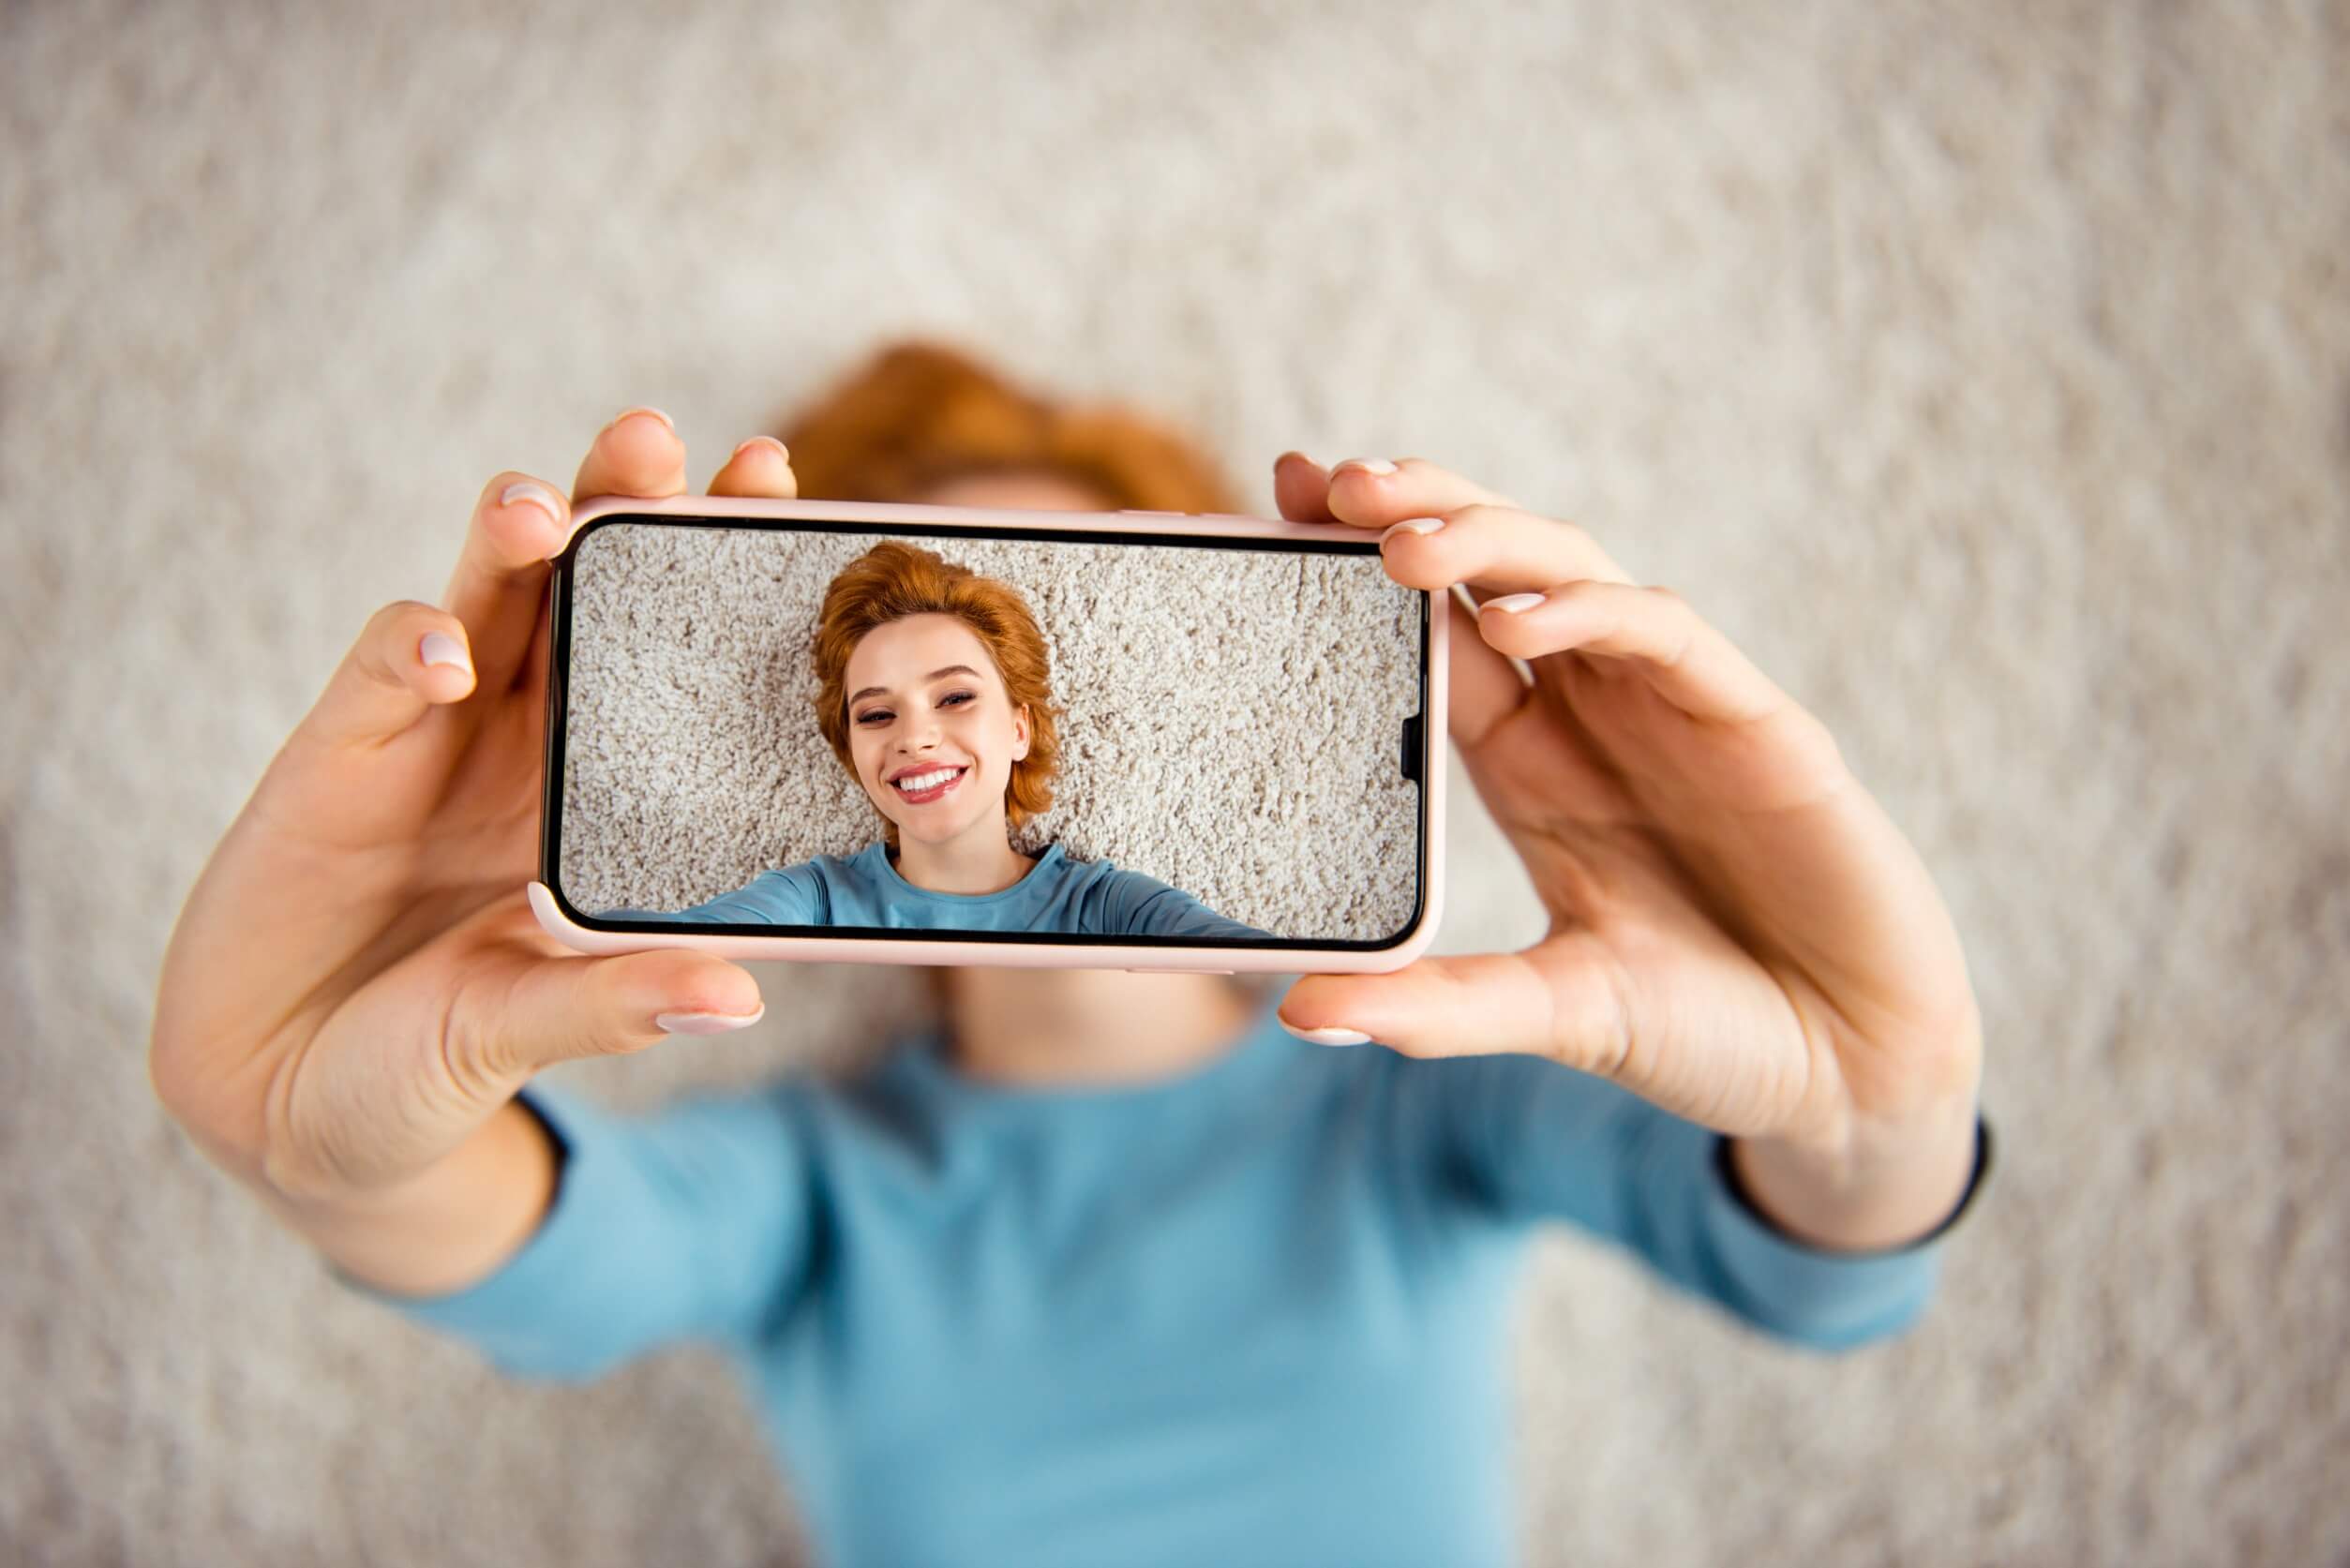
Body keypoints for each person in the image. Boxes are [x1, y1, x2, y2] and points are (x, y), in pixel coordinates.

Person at [149, 341, 1996, 1567]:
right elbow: (528, 1247)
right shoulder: (819, 1187)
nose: (940, 724)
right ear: (842, 735)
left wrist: (1877, 1092)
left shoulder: (1416, 1097)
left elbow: (1823, 1271)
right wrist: (301, 1136)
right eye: (883, 686)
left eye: (1080, 623)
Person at [593, 536, 1269, 939]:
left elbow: (1261, 973)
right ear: (851, 750)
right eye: (877, 714)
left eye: (954, 697)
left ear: (1017, 727)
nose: (915, 737)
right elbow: (671, 943)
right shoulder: (814, 900)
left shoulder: (1107, 906)